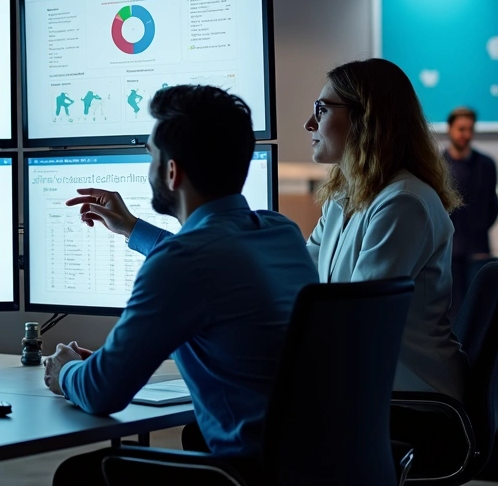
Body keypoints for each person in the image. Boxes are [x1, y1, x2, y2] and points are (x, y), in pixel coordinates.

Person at [43, 85, 318, 485]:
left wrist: (66, 370)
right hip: (318, 467)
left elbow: (102, 392)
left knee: (81, 475)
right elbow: (209, 261)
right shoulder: (280, 232)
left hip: (248, 475)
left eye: (151, 154)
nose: (150, 164)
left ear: (172, 172)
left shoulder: (182, 263)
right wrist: (133, 229)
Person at [305, 58, 468, 476]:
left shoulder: (403, 202)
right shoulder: (344, 201)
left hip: (416, 405)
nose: (310, 123)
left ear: (365, 118)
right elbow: (296, 282)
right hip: (372, 393)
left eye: (322, 110)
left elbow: (356, 321)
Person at [443, 106, 498, 319]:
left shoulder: (486, 164)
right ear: (450, 129)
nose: (466, 134)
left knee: (480, 313)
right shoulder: (439, 165)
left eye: (470, 129)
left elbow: (491, 205)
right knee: (452, 313)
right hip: (448, 253)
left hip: (479, 250)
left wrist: (481, 231)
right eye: (461, 128)